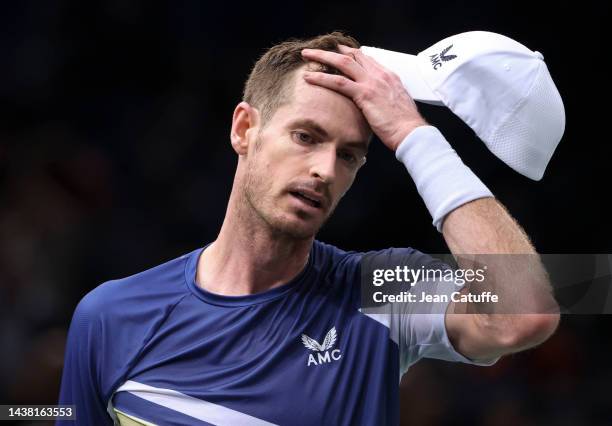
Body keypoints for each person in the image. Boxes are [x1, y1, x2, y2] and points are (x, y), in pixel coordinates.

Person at [57, 32, 560, 426]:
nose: (325, 169)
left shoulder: (375, 289)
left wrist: (412, 135)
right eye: (305, 136)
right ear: (244, 129)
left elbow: (525, 310)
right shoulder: (109, 314)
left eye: (349, 156)